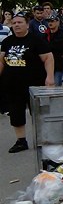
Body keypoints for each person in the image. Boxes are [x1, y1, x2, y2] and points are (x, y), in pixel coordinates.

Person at [0, 12, 54, 153]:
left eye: (20, 22)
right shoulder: (7, 42)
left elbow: (48, 58)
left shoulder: (36, 40)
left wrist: (49, 77)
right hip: (12, 85)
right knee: (16, 114)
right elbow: (1, 61)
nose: (17, 25)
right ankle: (21, 141)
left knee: (38, 113)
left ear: (27, 25)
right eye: (14, 23)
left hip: (34, 85)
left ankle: (44, 139)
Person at [46, 13, 63, 86]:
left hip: (58, 64)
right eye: (48, 21)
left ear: (57, 22)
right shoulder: (46, 34)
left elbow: (55, 47)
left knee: (56, 85)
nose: (50, 23)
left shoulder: (61, 34)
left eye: (52, 21)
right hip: (47, 65)